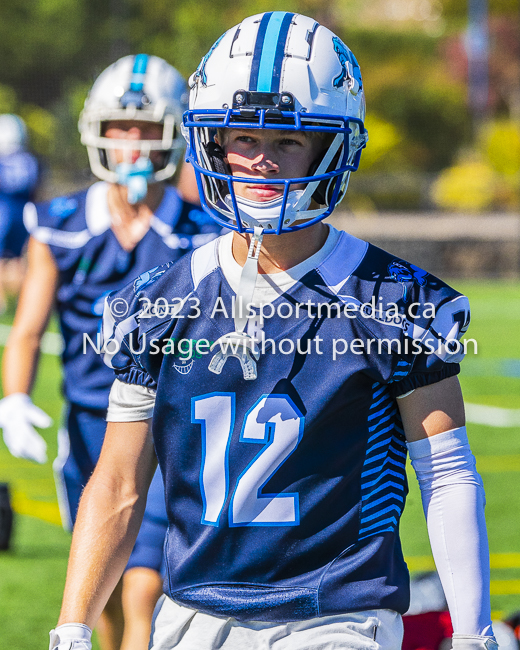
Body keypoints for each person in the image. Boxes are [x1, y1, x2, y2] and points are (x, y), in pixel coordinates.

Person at [49, 13, 497, 650]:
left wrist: (475, 631)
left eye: (289, 142)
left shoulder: (395, 299)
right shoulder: (159, 301)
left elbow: (446, 472)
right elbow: (119, 483)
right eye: (243, 138)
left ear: (330, 148)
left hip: (337, 613)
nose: (261, 161)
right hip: (194, 611)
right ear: (211, 143)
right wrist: (72, 625)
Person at [0, 54, 219, 650]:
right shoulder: (63, 223)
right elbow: (26, 328)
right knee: (106, 597)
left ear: (176, 133)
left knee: (145, 585)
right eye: (119, 126)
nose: (130, 142)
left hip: (169, 428)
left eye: (146, 128)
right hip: (90, 426)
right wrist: (14, 398)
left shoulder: (203, 229)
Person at [0, 114, 40, 313]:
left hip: (3, 214)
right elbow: (35, 191)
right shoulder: (30, 160)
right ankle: (18, 304)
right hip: (24, 214)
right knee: (17, 260)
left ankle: (2, 304)